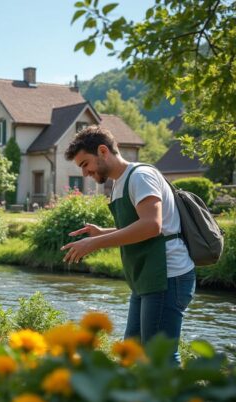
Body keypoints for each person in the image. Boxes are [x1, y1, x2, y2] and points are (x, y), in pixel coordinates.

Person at [62, 126, 195, 364]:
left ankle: (174, 401)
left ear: (103, 151)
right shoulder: (119, 183)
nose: (84, 173)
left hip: (167, 275)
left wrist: (95, 242)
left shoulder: (141, 176)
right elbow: (142, 227)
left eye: (85, 164)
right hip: (146, 277)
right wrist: (103, 233)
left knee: (159, 358)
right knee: (131, 353)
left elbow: (152, 226)